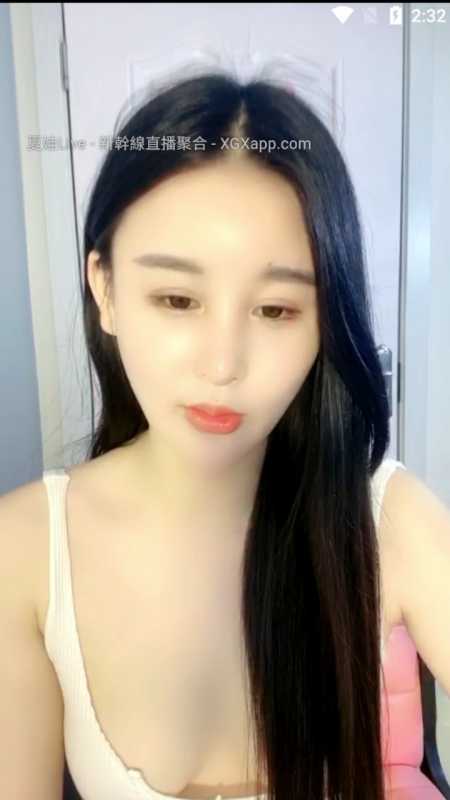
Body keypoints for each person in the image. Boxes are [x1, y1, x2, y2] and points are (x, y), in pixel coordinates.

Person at [1, 70, 450, 800]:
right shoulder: (24, 552)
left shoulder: (385, 518)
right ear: (105, 290)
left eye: (276, 310)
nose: (222, 366)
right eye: (177, 299)